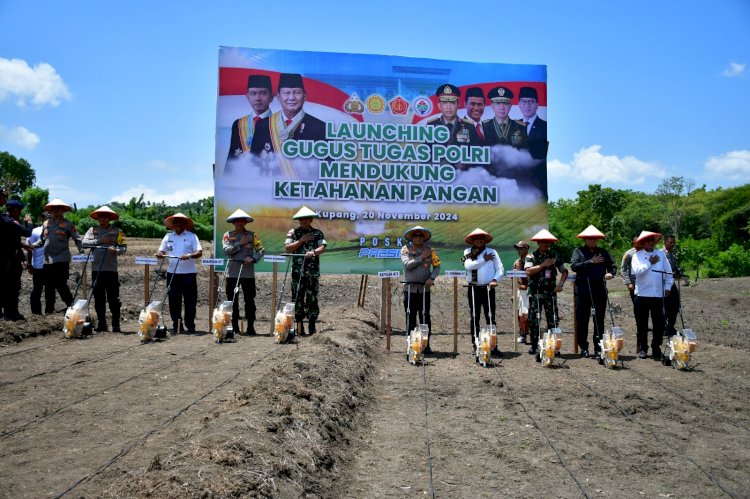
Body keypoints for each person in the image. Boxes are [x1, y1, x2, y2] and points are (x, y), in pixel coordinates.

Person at [251, 73, 326, 178]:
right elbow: (253, 164)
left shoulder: (320, 127)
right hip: (268, 187)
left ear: (305, 97)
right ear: (278, 97)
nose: (291, 98)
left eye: (296, 93)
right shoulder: (263, 125)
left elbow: (327, 169)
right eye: (286, 93)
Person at [29, 198, 83, 314]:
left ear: (63, 210)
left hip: (62, 258)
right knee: (49, 286)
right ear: (51, 211)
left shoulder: (68, 224)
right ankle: (49, 311)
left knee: (61, 284)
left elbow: (77, 239)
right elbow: (42, 240)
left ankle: (71, 306)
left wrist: (81, 251)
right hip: (47, 259)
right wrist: (32, 245)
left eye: (59, 209)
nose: (56, 211)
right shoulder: (46, 223)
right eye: (54, 209)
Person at [570, 225, 616, 359]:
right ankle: (583, 347)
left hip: (599, 289)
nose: (592, 241)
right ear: (584, 239)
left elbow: (612, 267)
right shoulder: (578, 251)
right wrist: (591, 261)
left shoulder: (603, 252)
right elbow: (574, 266)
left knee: (599, 319)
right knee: (582, 319)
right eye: (589, 239)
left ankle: (598, 347)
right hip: (583, 289)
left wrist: (611, 274)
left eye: (594, 239)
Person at [156, 213, 203, 333]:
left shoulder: (192, 236)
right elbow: (161, 250)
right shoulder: (168, 237)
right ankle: (177, 325)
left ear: (185, 224)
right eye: (175, 222)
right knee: (173, 300)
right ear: (172, 225)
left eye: (180, 222)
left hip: (188, 274)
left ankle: (190, 325)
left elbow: (199, 252)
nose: (177, 224)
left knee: (190, 301)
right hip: (172, 273)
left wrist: (189, 255)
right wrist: (160, 253)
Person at [82, 206, 127, 332]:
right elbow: (84, 243)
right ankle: (102, 324)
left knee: (113, 298)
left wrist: (116, 250)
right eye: (101, 216)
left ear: (110, 218)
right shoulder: (92, 230)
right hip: (96, 269)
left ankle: (116, 324)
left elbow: (123, 248)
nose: (103, 219)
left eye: (105, 216)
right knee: (98, 298)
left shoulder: (117, 231)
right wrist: (101, 241)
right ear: (97, 218)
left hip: (111, 270)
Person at [525, 229, 568, 357]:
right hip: (536, 292)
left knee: (553, 320)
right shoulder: (530, 256)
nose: (545, 245)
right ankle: (534, 345)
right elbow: (528, 272)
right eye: (542, 242)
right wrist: (543, 265)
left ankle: (554, 345)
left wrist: (560, 284)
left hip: (550, 293)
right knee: (533, 320)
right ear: (538, 243)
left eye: (547, 242)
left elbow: (564, 271)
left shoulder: (554, 256)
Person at [284, 206, 326, 335]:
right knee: (297, 298)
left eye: (307, 219)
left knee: (312, 298)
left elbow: (322, 247)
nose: (304, 221)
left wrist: (313, 252)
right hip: (298, 273)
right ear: (299, 220)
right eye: (302, 219)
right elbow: (288, 248)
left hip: (312, 273)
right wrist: (301, 241)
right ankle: (299, 326)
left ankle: (312, 325)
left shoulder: (317, 233)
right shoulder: (293, 233)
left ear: (311, 219)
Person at [631, 231, 673, 360]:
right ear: (643, 243)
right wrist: (649, 262)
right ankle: (643, 348)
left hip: (657, 295)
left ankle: (656, 348)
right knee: (642, 323)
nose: (649, 243)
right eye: (647, 241)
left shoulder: (661, 254)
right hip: (642, 294)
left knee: (658, 323)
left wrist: (667, 287)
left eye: (651, 241)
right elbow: (637, 272)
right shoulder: (637, 256)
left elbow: (669, 272)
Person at [222, 209, 265, 335]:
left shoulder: (252, 235)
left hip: (248, 272)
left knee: (250, 300)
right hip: (232, 272)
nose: (240, 223)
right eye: (237, 221)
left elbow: (261, 249)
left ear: (245, 222)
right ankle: (234, 327)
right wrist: (240, 243)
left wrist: (253, 258)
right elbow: (226, 251)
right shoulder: (228, 235)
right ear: (233, 222)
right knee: (232, 300)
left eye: (242, 221)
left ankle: (250, 327)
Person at [462, 228, 504, 356]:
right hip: (473, 287)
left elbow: (500, 268)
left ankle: (493, 345)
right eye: (476, 238)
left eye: (481, 238)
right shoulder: (468, 251)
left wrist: (495, 279)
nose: (479, 240)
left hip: (488, 288)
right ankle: (476, 344)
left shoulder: (492, 252)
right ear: (473, 240)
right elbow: (468, 266)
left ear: (485, 240)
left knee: (490, 316)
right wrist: (483, 260)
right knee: (475, 316)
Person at [401, 225, 441, 354]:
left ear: (423, 238)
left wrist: (432, 278)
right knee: (410, 317)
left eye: (420, 235)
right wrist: (422, 257)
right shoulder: (405, 249)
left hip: (424, 290)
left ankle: (426, 345)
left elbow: (437, 266)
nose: (417, 238)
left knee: (425, 318)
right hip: (410, 290)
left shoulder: (431, 250)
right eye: (415, 235)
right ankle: (410, 344)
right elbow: (407, 265)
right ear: (411, 238)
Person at [226, 75, 274, 161]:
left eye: (263, 93)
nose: (257, 98)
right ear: (247, 97)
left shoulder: (279, 123)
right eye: (253, 93)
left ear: (271, 97)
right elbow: (231, 159)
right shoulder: (239, 124)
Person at [1, 198, 31, 320]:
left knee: (5, 286)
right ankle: (12, 313)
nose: (20, 213)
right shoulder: (11, 222)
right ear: (14, 210)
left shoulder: (3, 219)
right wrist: (29, 222)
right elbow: (27, 233)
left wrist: (22, 253)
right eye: (19, 210)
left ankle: (6, 314)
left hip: (8, 258)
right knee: (12, 287)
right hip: (9, 260)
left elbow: (13, 242)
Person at [26, 212, 49, 315]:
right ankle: (36, 314)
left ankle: (49, 312)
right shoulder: (35, 231)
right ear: (42, 219)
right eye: (47, 218)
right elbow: (29, 248)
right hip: (38, 265)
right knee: (37, 290)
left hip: (51, 265)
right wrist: (29, 264)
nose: (48, 220)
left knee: (49, 290)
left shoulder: (54, 230)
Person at [517, 86, 547, 159]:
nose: (527, 105)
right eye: (523, 101)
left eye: (531, 101)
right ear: (519, 104)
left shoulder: (545, 127)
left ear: (537, 105)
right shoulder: (513, 125)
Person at [663, 235, 683, 337]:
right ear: (665, 242)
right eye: (670, 242)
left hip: (672, 283)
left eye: (673, 243)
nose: (672, 244)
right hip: (663, 284)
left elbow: (674, 266)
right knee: (665, 307)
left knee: (675, 305)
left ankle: (671, 327)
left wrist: (678, 270)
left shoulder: (673, 253)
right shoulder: (661, 254)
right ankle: (663, 328)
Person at [513, 240, 531, 344]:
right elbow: (513, 279)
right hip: (519, 290)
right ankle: (522, 334)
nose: (519, 250)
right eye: (517, 248)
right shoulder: (516, 262)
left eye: (521, 248)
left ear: (526, 248)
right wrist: (513, 293)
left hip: (528, 290)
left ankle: (529, 334)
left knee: (526, 313)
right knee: (519, 312)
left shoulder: (531, 260)